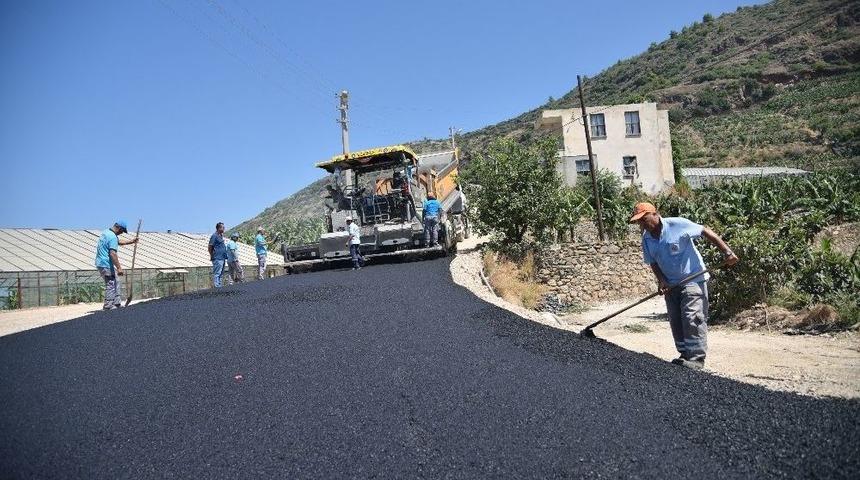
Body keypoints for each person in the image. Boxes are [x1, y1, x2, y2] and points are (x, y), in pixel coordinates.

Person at [630, 202, 738, 370]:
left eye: (644, 219)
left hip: (693, 279)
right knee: (676, 321)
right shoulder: (647, 239)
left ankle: (696, 358)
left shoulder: (678, 224)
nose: (642, 224)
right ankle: (685, 354)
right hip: (671, 285)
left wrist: (727, 252)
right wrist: (661, 281)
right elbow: (653, 262)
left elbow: (706, 231)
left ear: (655, 214)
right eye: (639, 222)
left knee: (691, 317)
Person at [94, 220, 138, 310]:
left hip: (101, 263)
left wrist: (131, 242)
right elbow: (112, 253)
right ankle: (108, 306)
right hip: (105, 263)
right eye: (122, 231)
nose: (121, 233)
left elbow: (118, 242)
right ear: (119, 228)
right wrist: (119, 268)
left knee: (116, 280)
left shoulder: (106, 233)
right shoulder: (113, 237)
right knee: (111, 283)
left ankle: (117, 303)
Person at [208, 222, 228, 288]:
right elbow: (210, 246)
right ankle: (217, 286)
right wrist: (212, 255)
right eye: (223, 227)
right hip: (217, 257)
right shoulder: (214, 236)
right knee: (217, 273)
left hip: (222, 257)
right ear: (219, 228)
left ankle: (219, 286)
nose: (224, 228)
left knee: (221, 273)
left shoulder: (220, 236)